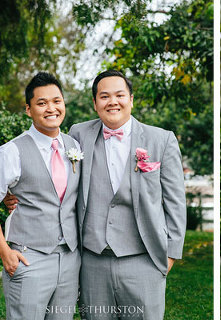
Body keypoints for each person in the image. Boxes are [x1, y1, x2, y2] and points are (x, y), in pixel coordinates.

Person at [69, 70, 186, 319]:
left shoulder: (161, 140)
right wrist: (13, 195)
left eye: (120, 95)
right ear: (95, 103)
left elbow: (175, 201)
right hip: (92, 262)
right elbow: (56, 173)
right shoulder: (77, 135)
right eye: (104, 96)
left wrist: (170, 255)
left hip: (144, 260)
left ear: (131, 99)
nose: (113, 102)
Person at [0, 72, 81, 319]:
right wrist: (5, 252)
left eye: (57, 101)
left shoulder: (74, 147)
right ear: (28, 109)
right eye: (42, 103)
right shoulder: (11, 151)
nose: (51, 108)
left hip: (69, 258)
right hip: (29, 257)